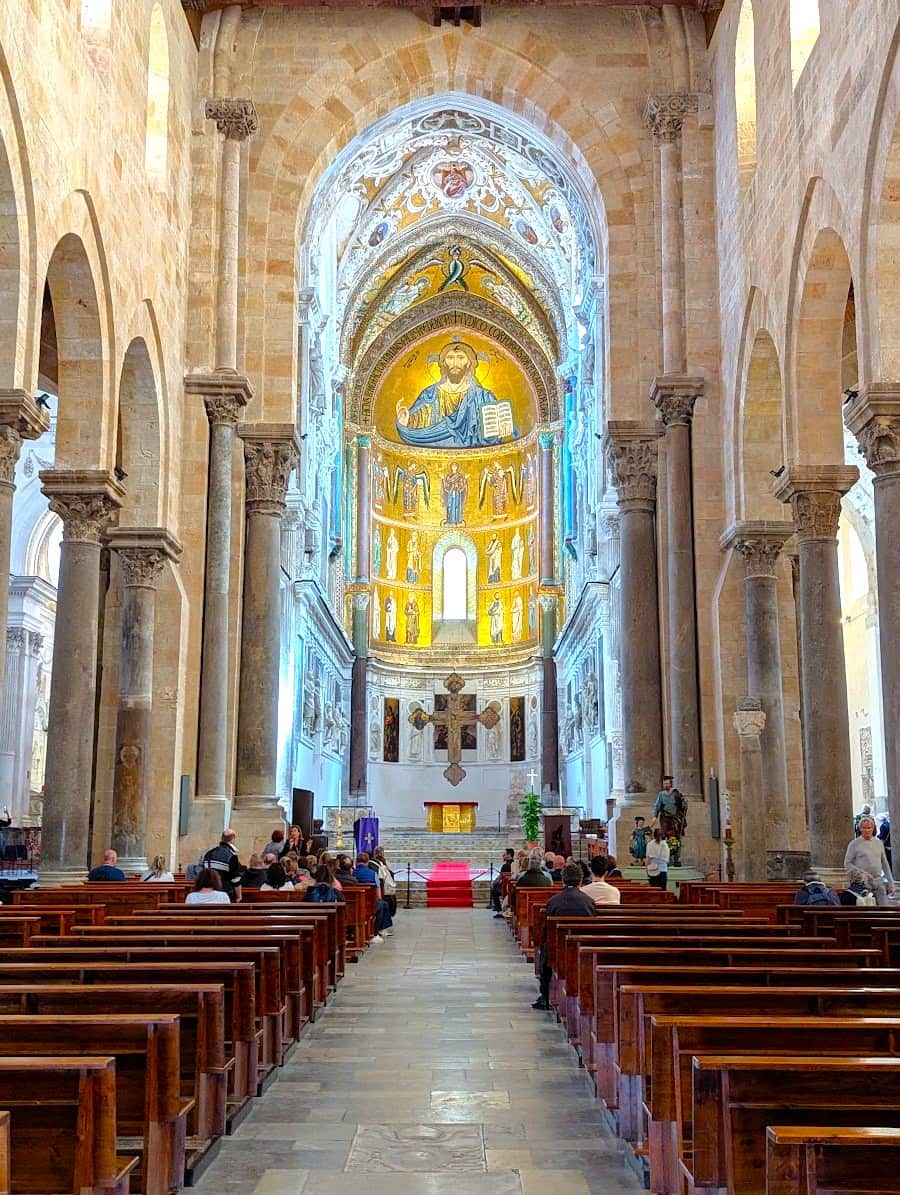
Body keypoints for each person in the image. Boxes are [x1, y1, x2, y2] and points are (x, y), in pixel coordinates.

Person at [533, 864, 597, 1009]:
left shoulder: (554, 901)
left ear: (563, 880)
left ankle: (545, 995)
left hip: (558, 949)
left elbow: (546, 930)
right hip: (583, 947)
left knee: (546, 951)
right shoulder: (589, 901)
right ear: (580, 880)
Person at [844, 816, 895, 906]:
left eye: (869, 828)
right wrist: (863, 874)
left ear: (873, 828)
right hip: (862, 883)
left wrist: (891, 883)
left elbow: (885, 864)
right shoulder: (854, 844)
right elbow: (847, 863)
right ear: (860, 829)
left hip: (878, 881)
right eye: (864, 828)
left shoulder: (879, 843)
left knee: (884, 908)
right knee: (866, 909)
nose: (867, 830)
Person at [354, 852, 393, 938]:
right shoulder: (372, 874)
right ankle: (377, 930)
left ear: (356, 861)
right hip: (369, 904)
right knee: (383, 904)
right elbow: (378, 895)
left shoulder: (353, 873)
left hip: (355, 904)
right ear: (367, 862)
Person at [202, 828, 243, 902]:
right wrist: (239, 896)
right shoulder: (232, 856)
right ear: (233, 839)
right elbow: (235, 879)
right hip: (225, 894)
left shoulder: (209, 853)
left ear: (222, 838)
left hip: (208, 892)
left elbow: (204, 873)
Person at [492, 848, 515, 918]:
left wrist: (493, 883)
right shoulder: (515, 864)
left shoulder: (505, 866)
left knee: (494, 890)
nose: (503, 856)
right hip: (513, 886)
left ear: (509, 855)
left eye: (504, 854)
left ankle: (499, 910)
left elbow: (500, 877)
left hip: (506, 887)